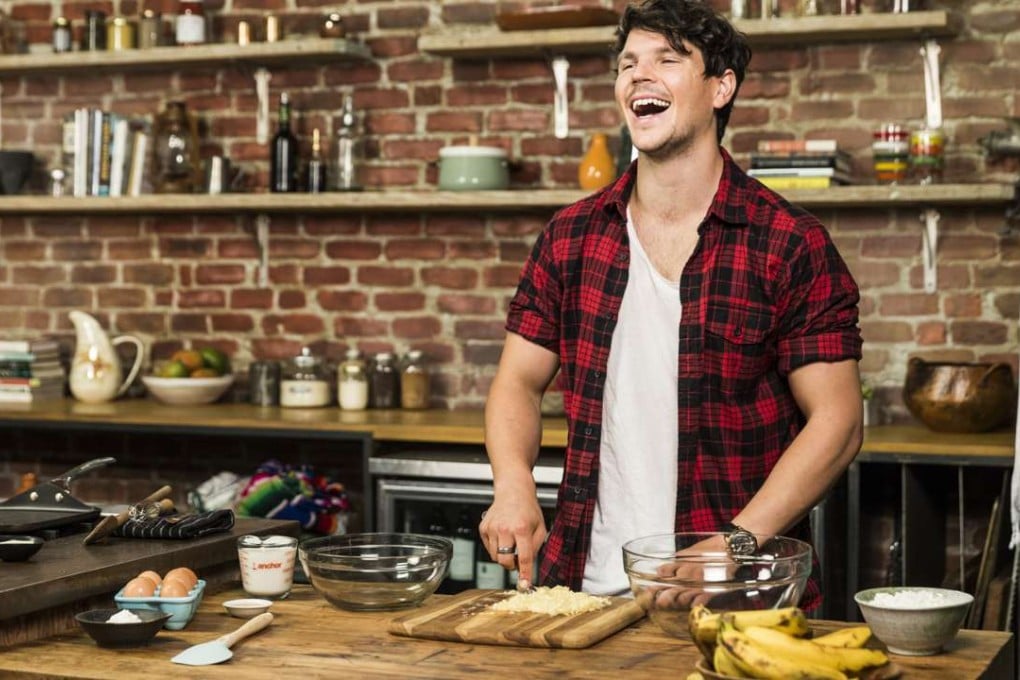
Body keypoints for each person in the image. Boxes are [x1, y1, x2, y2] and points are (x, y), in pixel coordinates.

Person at [479, 0, 863, 610]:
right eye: (628, 63)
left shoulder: (787, 241)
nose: (639, 75)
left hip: (737, 598)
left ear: (721, 87)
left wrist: (734, 543)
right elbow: (517, 384)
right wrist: (513, 484)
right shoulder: (570, 237)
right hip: (583, 592)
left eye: (667, 59)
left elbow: (838, 422)